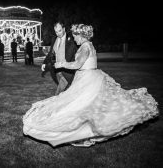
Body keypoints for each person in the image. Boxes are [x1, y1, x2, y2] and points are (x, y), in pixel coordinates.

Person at [23, 24, 159, 147]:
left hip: (87, 79)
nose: (74, 38)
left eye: (75, 36)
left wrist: (61, 64)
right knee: (90, 103)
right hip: (91, 76)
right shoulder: (90, 45)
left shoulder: (85, 47)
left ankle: (82, 129)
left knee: (80, 105)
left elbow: (77, 65)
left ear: (81, 36)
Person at [41, 21, 78, 95]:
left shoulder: (72, 38)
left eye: (60, 30)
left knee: (58, 94)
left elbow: (77, 52)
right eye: (56, 32)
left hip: (68, 71)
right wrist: (44, 63)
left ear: (64, 29)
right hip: (57, 71)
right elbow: (51, 53)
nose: (58, 33)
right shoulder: (54, 39)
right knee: (66, 93)